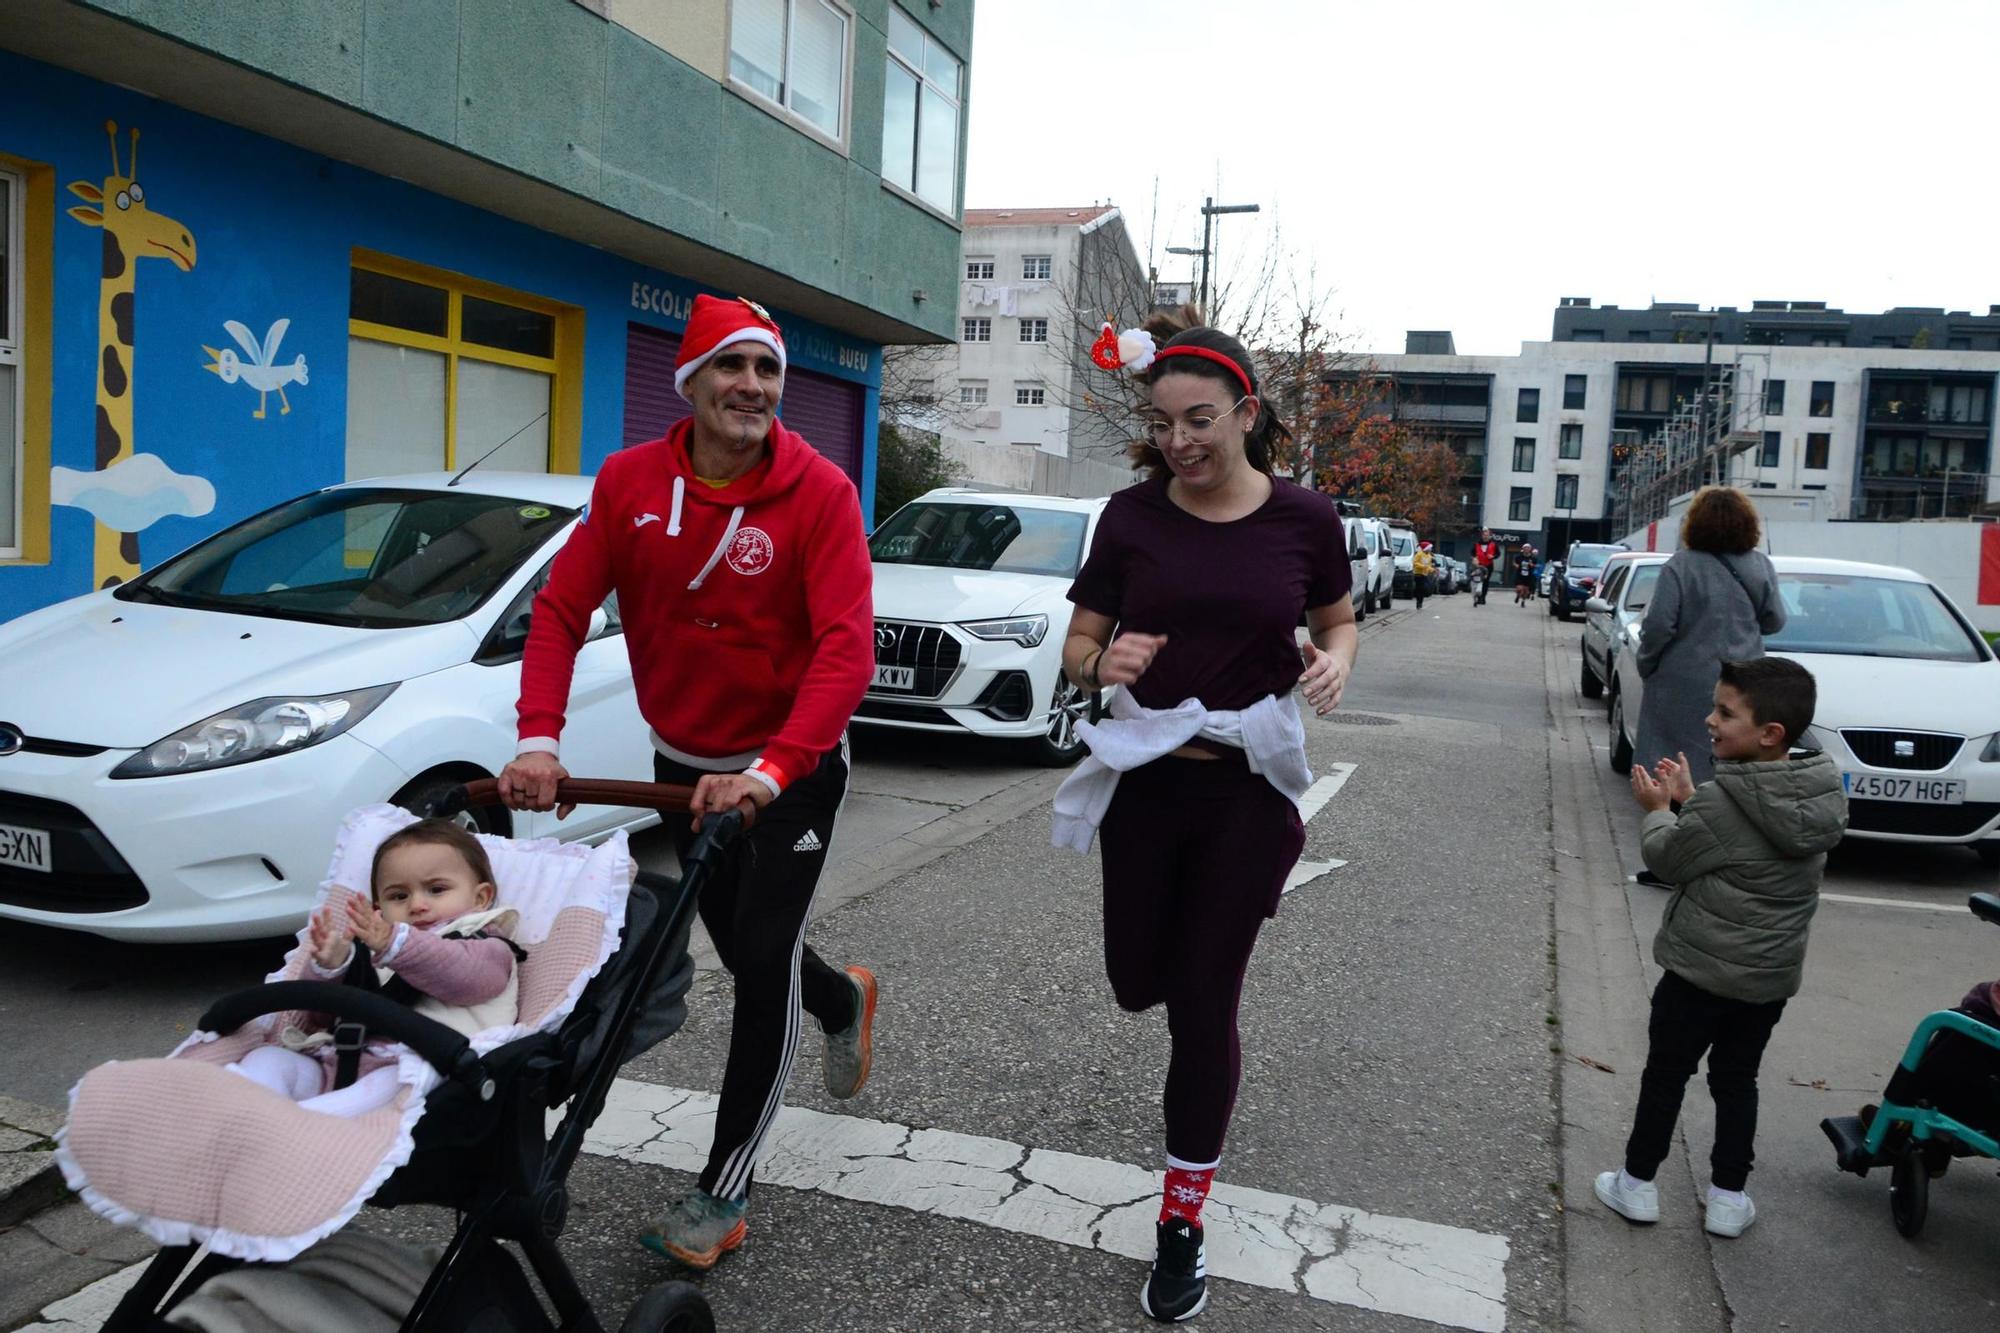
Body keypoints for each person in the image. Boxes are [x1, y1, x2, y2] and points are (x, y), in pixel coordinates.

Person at [497, 293, 878, 1270]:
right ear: (691, 381)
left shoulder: (819, 493)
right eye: (731, 367)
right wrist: (537, 738)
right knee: (746, 946)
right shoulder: (628, 484)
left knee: (756, 966)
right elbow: (559, 609)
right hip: (683, 762)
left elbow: (843, 651)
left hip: (790, 763)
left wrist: (772, 769)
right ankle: (837, 1000)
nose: (751, 386)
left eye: (767, 370)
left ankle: (722, 1189)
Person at [1052, 306, 1358, 1323]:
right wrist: (1106, 663)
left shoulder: (1304, 519)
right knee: (1135, 981)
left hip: (1244, 792)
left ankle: (1180, 1219)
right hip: (1145, 785)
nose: (1178, 441)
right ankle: (1170, 1051)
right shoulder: (1129, 516)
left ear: (1245, 412)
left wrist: (1332, 666)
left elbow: (1337, 618)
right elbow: (1079, 644)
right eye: (1162, 422)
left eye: (1198, 420)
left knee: (1201, 999)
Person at [1594, 657, 1845, 1239]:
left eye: (1725, 712)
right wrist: (1692, 801)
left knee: (1667, 1075)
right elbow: (1746, 834)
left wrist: (1661, 811)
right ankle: (1729, 1197)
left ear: (1769, 733)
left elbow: (1671, 859)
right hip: (1766, 981)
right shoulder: (1817, 793)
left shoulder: (1721, 804)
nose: (1709, 719)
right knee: (1737, 1081)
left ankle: (1636, 1185)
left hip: (1698, 975)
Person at [225, 820, 524, 1118]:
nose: (417, 904)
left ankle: (294, 1125)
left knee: (391, 1083)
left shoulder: (487, 947)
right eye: (399, 896)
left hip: (421, 1073)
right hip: (340, 1062)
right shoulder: (371, 951)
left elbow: (464, 978)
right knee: (267, 1058)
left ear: (480, 898)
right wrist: (331, 967)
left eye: (436, 889)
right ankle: (243, 1112)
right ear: (379, 907)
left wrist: (397, 945)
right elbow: (320, 1017)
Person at [1634, 486, 1786, 792]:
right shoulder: (1760, 565)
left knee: (1672, 759)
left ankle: (1674, 816)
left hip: (1682, 682)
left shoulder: (1680, 565)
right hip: (1744, 681)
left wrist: (1648, 665)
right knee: (1733, 756)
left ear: (1695, 523)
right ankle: (1723, 815)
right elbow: (1775, 621)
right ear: (1747, 524)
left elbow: (1659, 625)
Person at [1471, 529, 1499, 607]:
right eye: (1484, 535)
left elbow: (1498, 554)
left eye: (1487, 535)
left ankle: (1483, 598)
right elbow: (1472, 553)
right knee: (1478, 581)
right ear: (1482, 535)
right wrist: (1474, 558)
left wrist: (1493, 556)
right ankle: (1478, 596)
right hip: (1478, 565)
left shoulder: (1494, 544)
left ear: (1490, 536)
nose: (1485, 536)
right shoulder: (1476, 544)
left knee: (1485, 582)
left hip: (1488, 565)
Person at [1412, 540, 1435, 610]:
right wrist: (1423, 566)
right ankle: (1418, 602)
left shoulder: (1429, 556)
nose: (1430, 549)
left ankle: (1420, 601)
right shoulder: (1419, 554)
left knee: (1424, 589)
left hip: (1425, 574)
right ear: (1426, 548)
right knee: (1420, 588)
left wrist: (1432, 570)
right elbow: (1415, 563)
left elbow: (1428, 565)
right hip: (1418, 574)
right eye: (1429, 548)